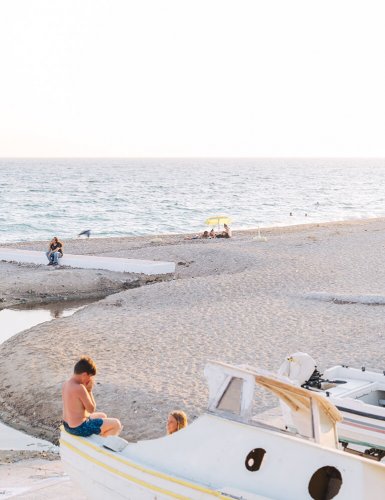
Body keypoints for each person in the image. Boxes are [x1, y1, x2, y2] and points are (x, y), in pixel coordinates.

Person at [62, 356, 122, 437]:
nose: (90, 379)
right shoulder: (80, 388)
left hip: (67, 426)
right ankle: (105, 444)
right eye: (90, 376)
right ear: (84, 374)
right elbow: (91, 409)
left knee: (102, 416)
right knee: (116, 424)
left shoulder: (66, 384)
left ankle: (101, 437)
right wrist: (89, 391)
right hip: (79, 428)